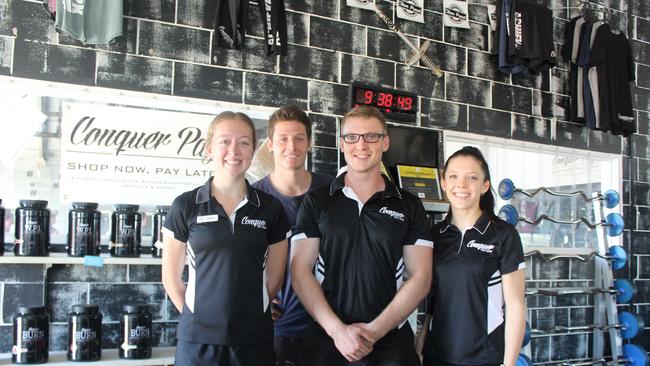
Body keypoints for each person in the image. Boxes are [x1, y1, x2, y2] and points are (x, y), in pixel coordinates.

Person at [291, 105, 433, 366]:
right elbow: (300, 270)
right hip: (326, 340)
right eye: (352, 137)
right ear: (341, 144)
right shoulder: (317, 202)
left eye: (372, 136)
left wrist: (374, 332)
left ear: (385, 142)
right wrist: (338, 332)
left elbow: (421, 276)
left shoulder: (409, 205)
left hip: (390, 343)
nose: (361, 144)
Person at [161, 111, 290, 366]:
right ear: (209, 147)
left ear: (253, 150)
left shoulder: (270, 209)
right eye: (224, 141)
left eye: (244, 142)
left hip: (254, 340)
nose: (234, 150)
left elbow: (275, 278)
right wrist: (199, 317)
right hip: (197, 342)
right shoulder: (185, 206)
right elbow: (171, 278)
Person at [416, 146, 526, 366]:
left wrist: (509, 363)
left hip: (484, 357)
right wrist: (420, 346)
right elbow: (433, 302)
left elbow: (516, 306)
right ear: (444, 183)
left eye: (472, 178)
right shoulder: (435, 236)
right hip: (436, 356)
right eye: (454, 176)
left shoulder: (503, 235)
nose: (462, 185)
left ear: (485, 186)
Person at [252, 105, 332, 365]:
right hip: (277, 330)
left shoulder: (333, 191)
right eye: (283, 139)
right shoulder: (253, 199)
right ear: (270, 144)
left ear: (309, 143)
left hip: (328, 325)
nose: (292, 146)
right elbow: (240, 258)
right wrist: (257, 295)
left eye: (299, 138)